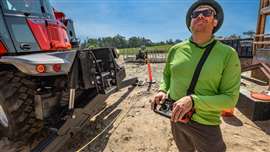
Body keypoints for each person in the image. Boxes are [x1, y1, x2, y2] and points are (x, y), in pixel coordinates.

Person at [151, 0, 241, 152]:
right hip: (175, 116)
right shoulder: (175, 49)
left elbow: (230, 99)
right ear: (190, 22)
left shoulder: (228, 54)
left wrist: (194, 101)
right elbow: (167, 75)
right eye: (195, 14)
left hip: (205, 124)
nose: (200, 16)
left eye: (207, 12)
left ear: (215, 22)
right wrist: (161, 90)